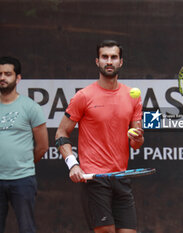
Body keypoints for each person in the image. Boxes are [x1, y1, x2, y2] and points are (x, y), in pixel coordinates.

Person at [55, 40, 144, 233]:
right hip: (95, 178)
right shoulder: (83, 97)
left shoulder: (133, 96)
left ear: (121, 62)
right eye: (105, 57)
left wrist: (137, 139)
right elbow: (61, 132)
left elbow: (136, 143)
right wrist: (73, 164)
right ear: (97, 61)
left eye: (114, 57)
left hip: (121, 177)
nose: (109, 61)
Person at [0, 56, 49, 233]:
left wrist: (24, 164)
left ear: (18, 78)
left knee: (27, 228)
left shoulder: (30, 107)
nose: (2, 78)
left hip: (22, 179)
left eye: (8, 74)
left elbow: (43, 145)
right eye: (0, 74)